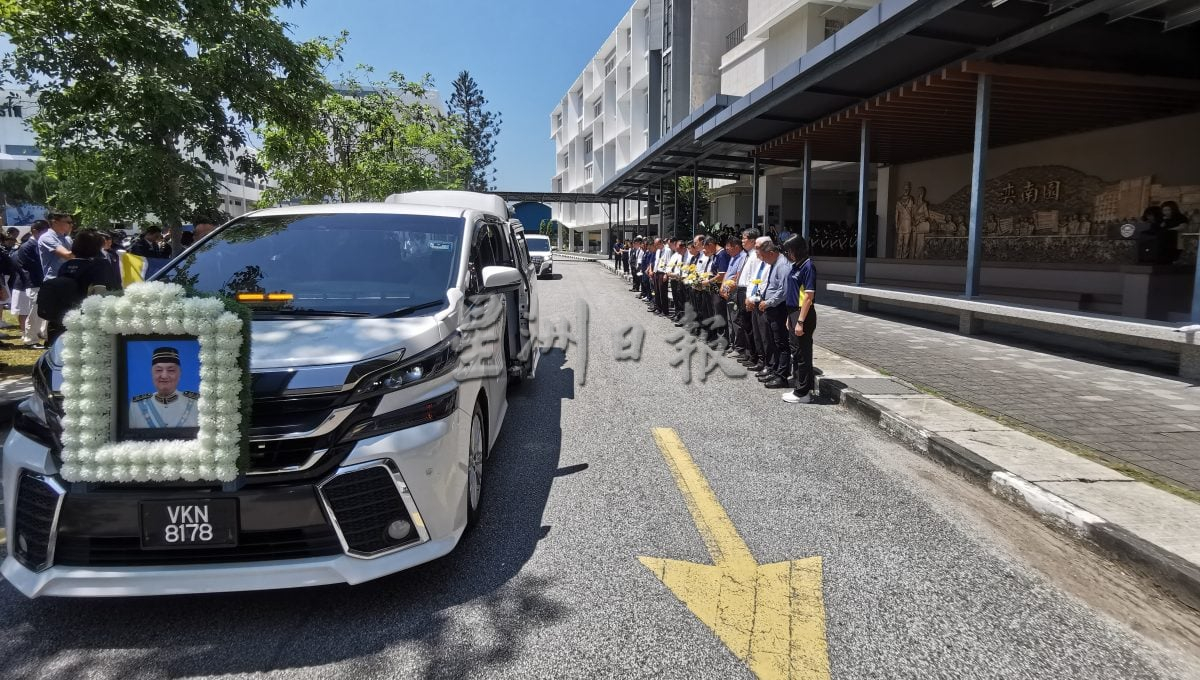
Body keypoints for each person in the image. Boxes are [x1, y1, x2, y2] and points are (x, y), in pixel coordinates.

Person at [37, 230, 122, 345]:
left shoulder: (66, 265)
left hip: (64, 318)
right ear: (97, 246)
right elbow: (107, 293)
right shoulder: (100, 265)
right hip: (88, 321)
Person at [781, 236, 818, 404]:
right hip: (793, 312)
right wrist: (790, 318)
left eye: (790, 251)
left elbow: (808, 297)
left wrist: (800, 320)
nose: (788, 254)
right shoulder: (796, 266)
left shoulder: (808, 267)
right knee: (796, 352)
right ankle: (798, 387)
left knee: (803, 353)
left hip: (803, 312)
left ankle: (803, 392)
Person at [128, 346, 200, 429]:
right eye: (158, 370)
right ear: (152, 373)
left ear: (179, 374)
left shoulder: (196, 403)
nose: (164, 376)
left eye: (171, 370)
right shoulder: (137, 405)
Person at [756, 241, 792, 389]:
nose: (763, 260)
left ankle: (782, 375)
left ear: (772, 253)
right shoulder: (775, 263)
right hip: (771, 307)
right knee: (774, 341)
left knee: (781, 342)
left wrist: (769, 302)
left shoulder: (782, 266)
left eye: (764, 257)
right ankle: (776, 370)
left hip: (778, 308)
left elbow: (783, 291)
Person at [13, 220, 49, 347]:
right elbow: (35, 266)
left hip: (41, 282)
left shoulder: (40, 244)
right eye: (44, 231)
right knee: (34, 312)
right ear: (34, 231)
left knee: (42, 311)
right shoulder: (27, 246)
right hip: (33, 282)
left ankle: (41, 333)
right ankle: (30, 339)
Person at [38, 212, 74, 280]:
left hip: (68, 280)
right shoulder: (46, 237)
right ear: (55, 222)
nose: (71, 225)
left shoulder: (68, 239)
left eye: (72, 222)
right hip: (53, 282)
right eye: (68, 222)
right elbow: (68, 255)